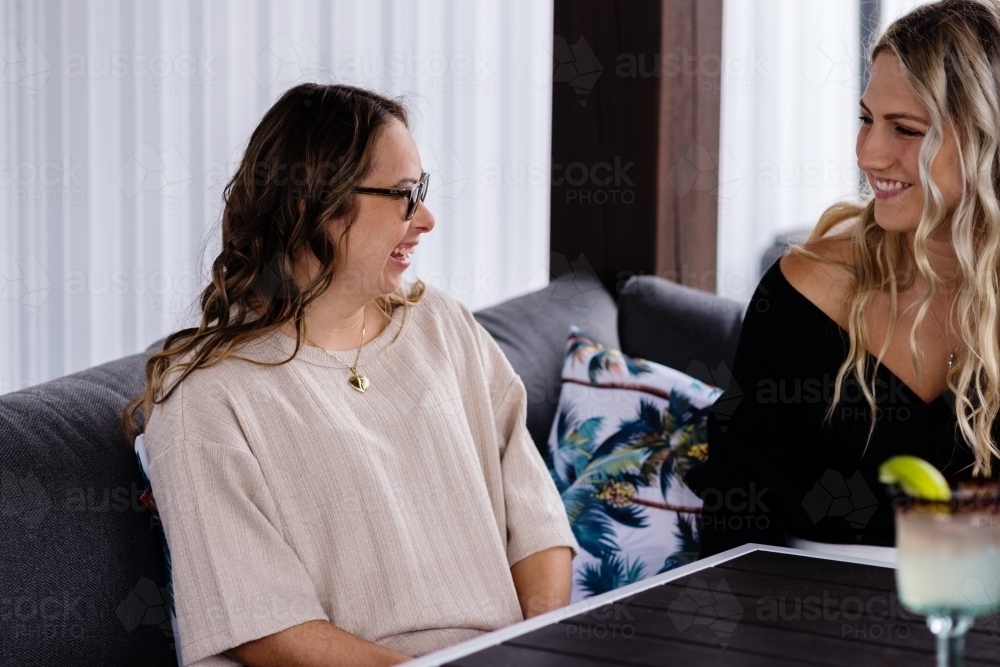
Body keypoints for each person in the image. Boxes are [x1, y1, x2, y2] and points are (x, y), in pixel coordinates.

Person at [122, 83, 577, 667]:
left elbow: (535, 520)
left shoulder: (441, 323)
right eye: (405, 196)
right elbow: (267, 630)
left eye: (423, 192)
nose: (427, 219)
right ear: (308, 206)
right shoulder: (206, 396)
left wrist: (537, 648)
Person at [686, 0, 1000, 560]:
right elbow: (735, 528)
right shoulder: (802, 292)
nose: (868, 153)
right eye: (865, 119)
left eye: (905, 129)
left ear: (986, 142)